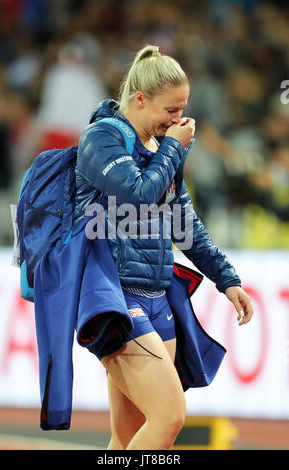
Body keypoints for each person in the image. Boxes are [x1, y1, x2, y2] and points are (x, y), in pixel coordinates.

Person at [73, 45, 253, 450]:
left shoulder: (163, 148)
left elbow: (183, 223)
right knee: (170, 417)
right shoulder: (102, 138)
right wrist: (174, 147)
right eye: (171, 110)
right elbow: (138, 194)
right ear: (140, 99)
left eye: (183, 109)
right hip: (114, 298)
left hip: (157, 296)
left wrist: (227, 279)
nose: (179, 120)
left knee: (127, 438)